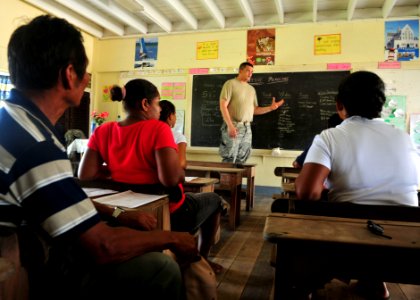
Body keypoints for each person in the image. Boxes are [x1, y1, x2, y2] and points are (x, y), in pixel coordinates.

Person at [0, 15, 199, 300]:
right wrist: (172, 237)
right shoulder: (36, 145)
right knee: (162, 267)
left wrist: (115, 212)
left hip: (33, 244)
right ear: (69, 75)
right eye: (85, 72)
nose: (87, 80)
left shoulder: (14, 123)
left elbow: (79, 182)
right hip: (34, 269)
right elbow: (104, 246)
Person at [295, 71, 420, 299]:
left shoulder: (329, 137)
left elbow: (306, 193)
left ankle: (306, 286)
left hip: (346, 249)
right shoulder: (406, 138)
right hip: (407, 248)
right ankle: (374, 281)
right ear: (380, 105)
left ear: (339, 105)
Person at [78, 79, 223, 273]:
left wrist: (117, 170)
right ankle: (203, 260)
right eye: (157, 103)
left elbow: (85, 174)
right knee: (215, 199)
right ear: (145, 104)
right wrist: (178, 169)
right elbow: (170, 179)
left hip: (125, 209)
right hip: (169, 212)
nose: (159, 110)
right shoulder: (158, 128)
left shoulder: (104, 130)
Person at [219, 61, 285, 163]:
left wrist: (270, 108)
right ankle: (225, 179)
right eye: (248, 71)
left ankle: (238, 179)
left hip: (247, 128)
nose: (250, 74)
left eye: (252, 72)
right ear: (240, 71)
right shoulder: (230, 84)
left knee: (243, 157)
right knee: (230, 157)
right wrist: (230, 125)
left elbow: (254, 110)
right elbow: (223, 105)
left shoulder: (251, 89)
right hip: (234, 125)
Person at [159, 99, 187, 169]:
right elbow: (181, 163)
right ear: (170, 116)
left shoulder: (149, 133)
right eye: (175, 114)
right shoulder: (178, 137)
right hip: (170, 176)